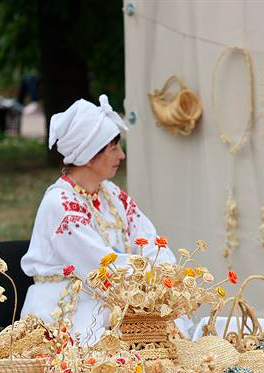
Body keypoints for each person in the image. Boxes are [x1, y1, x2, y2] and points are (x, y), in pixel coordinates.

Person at [20, 95, 178, 343]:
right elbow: (101, 268)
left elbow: (149, 239)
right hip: (67, 310)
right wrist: (152, 279)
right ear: (89, 156)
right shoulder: (60, 204)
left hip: (109, 299)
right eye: (113, 148)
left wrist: (167, 272)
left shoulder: (111, 194)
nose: (122, 156)